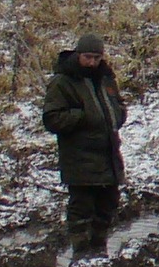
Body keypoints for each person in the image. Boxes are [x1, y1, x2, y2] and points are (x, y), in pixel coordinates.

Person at [42, 32, 127, 248]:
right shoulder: (63, 82)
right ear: (78, 55)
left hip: (108, 154)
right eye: (88, 57)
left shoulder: (106, 78)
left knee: (108, 205)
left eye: (97, 58)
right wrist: (82, 116)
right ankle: (80, 253)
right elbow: (52, 119)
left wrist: (118, 114)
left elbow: (117, 105)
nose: (92, 63)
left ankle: (99, 248)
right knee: (81, 208)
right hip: (79, 158)